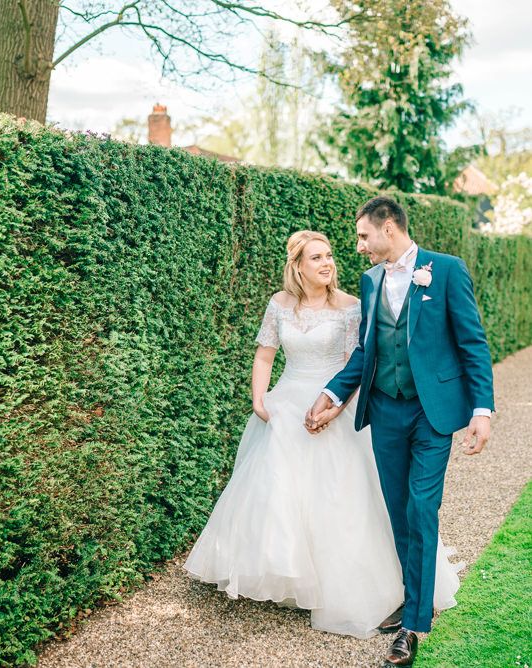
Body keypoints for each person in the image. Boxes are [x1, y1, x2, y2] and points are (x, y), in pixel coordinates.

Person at [182, 230, 462, 640]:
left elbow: (357, 364)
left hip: (334, 406)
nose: (327, 263)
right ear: (297, 266)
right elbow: (264, 355)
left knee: (347, 497)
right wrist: (261, 401)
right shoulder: (279, 305)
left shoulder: (352, 305)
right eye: (317, 258)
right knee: (280, 493)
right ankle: (290, 578)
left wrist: (335, 409)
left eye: (329, 255)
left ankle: (366, 585)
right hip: (287, 405)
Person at [306, 197, 494, 666]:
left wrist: (482, 410)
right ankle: (415, 596)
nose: (358, 247)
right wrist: (332, 395)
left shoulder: (446, 270)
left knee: (421, 509)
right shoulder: (370, 282)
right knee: (397, 511)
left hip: (433, 414)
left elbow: (473, 343)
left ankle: (413, 624)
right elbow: (366, 351)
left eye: (363, 237)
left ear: (389, 229)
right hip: (386, 412)